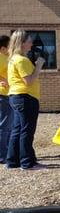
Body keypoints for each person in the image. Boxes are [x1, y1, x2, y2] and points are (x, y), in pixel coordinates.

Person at [5, 30, 45, 170]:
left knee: (18, 129)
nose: (31, 43)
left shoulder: (13, 59)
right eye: (29, 40)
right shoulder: (21, 60)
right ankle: (27, 163)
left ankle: (12, 161)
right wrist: (39, 66)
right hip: (26, 97)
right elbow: (28, 81)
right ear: (22, 43)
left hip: (16, 97)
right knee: (26, 131)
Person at [0, 35, 12, 164]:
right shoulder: (0, 57)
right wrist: (3, 80)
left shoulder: (6, 58)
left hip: (9, 94)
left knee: (9, 125)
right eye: (10, 45)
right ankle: (2, 155)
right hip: (3, 95)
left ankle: (8, 151)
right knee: (4, 125)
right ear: (3, 48)